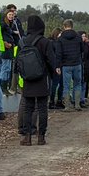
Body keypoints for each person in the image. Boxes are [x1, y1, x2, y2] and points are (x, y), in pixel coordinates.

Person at [17, 15, 56, 145]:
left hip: (28, 79)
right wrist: (52, 75)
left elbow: (17, 62)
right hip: (42, 79)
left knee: (28, 108)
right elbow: (52, 61)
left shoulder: (22, 42)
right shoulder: (45, 42)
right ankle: (41, 137)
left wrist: (22, 75)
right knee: (42, 108)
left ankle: (27, 137)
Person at [57, 19, 84, 111]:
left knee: (66, 86)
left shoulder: (60, 38)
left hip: (66, 65)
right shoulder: (78, 37)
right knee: (77, 84)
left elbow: (59, 53)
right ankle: (77, 105)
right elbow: (82, 49)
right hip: (77, 63)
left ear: (64, 26)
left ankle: (67, 106)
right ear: (72, 26)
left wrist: (58, 66)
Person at [80, 31, 89, 108]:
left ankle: (82, 99)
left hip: (86, 67)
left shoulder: (86, 45)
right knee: (78, 83)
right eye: (82, 36)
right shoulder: (77, 45)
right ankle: (76, 99)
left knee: (84, 83)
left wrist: (87, 64)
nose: (84, 37)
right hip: (78, 66)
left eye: (85, 36)